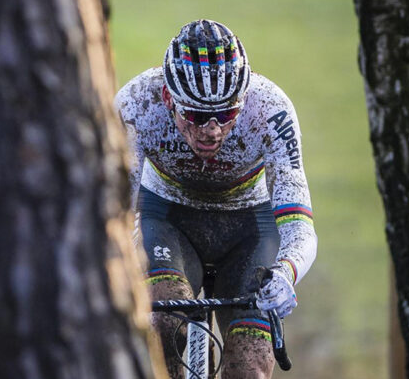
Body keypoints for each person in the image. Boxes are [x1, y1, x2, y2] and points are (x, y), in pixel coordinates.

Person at [115, 19, 317, 379]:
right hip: (165, 220)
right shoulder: (137, 104)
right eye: (195, 115)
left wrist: (286, 272)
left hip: (248, 229)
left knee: (251, 366)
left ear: (243, 100)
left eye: (226, 115)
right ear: (167, 99)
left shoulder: (269, 109)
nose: (212, 130)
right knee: (164, 325)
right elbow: (117, 212)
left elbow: (298, 219)